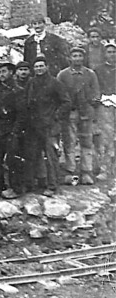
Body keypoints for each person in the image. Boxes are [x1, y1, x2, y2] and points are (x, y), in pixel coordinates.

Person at [26, 56, 71, 196]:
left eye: (41, 66)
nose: (39, 69)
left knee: (51, 157)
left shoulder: (55, 83)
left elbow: (66, 102)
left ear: (47, 67)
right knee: (34, 155)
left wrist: (56, 116)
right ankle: (38, 183)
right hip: (34, 126)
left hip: (50, 126)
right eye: (36, 67)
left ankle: (52, 186)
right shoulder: (31, 83)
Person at [57, 47, 101, 185]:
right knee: (69, 142)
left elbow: (96, 92)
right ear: (70, 58)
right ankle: (71, 172)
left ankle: (86, 172)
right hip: (70, 113)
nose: (77, 58)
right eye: (74, 56)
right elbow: (58, 94)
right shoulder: (63, 75)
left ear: (83, 58)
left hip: (86, 112)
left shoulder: (90, 74)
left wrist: (92, 103)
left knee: (86, 142)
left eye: (80, 56)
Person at [0, 63, 28, 198]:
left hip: (11, 131)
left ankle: (15, 189)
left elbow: (22, 114)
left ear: (11, 72)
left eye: (4, 71)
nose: (1, 75)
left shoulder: (17, 90)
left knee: (13, 160)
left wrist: (15, 132)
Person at [94, 43, 116, 180]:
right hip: (105, 105)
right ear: (104, 54)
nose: (112, 55)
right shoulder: (98, 70)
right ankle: (104, 169)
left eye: (114, 52)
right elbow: (96, 88)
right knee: (105, 138)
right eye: (109, 52)